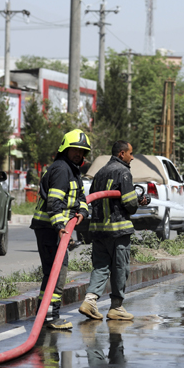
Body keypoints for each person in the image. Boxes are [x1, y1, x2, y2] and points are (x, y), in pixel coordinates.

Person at [79, 140, 150, 322]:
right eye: (130, 153)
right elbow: (129, 203)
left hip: (98, 231)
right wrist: (138, 201)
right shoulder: (123, 172)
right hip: (118, 231)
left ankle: (90, 301)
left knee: (101, 267)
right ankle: (116, 307)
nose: (132, 157)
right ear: (121, 154)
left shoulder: (100, 173)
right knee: (120, 268)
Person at [30, 129, 91, 330]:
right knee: (56, 273)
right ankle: (50, 317)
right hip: (50, 229)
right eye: (76, 150)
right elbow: (54, 203)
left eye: (82, 152)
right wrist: (59, 226)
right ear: (65, 148)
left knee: (54, 273)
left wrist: (82, 212)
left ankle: (44, 314)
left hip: (57, 230)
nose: (79, 155)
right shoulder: (62, 170)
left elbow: (81, 199)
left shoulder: (72, 171)